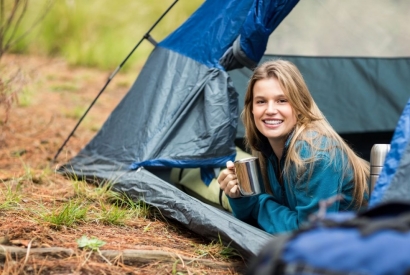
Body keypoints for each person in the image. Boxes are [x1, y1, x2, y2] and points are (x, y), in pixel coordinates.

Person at [218, 59, 369, 234]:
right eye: (261, 101)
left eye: (282, 100)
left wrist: (258, 203)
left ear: (299, 106)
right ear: (251, 109)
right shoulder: (267, 149)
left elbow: (310, 235)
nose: (270, 110)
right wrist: (239, 196)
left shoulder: (315, 154)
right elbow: (253, 220)